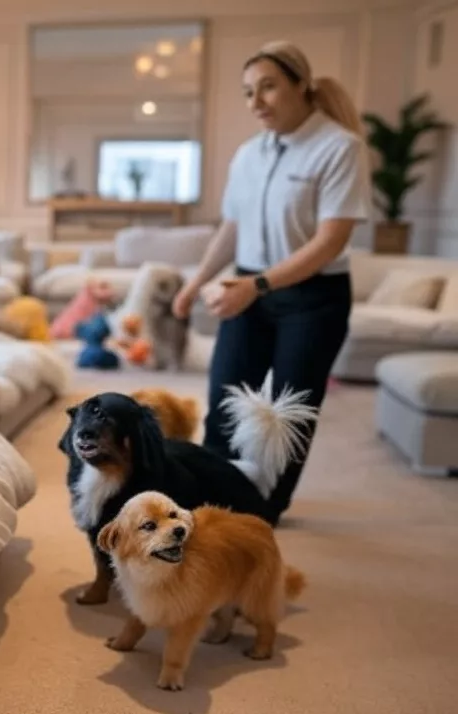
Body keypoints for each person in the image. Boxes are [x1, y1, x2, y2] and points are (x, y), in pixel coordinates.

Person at [172, 40, 372, 522]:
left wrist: (257, 285)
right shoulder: (248, 154)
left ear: (301, 85)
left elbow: (330, 241)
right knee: (225, 401)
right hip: (249, 290)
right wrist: (195, 283)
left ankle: (264, 512)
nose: (256, 102)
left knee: (287, 415)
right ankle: (213, 505)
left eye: (268, 87)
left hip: (313, 298)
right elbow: (232, 228)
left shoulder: (339, 147)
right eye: (248, 92)